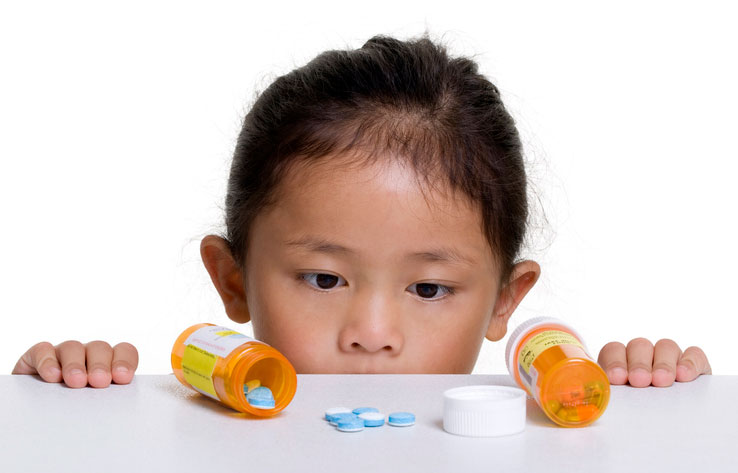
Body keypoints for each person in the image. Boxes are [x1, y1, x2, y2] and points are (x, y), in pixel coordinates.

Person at [12, 33, 711, 389]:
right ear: (232, 279)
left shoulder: (542, 423)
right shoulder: (184, 420)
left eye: (429, 288)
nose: (372, 335)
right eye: (323, 278)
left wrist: (657, 406)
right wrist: (55, 403)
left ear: (506, 299)